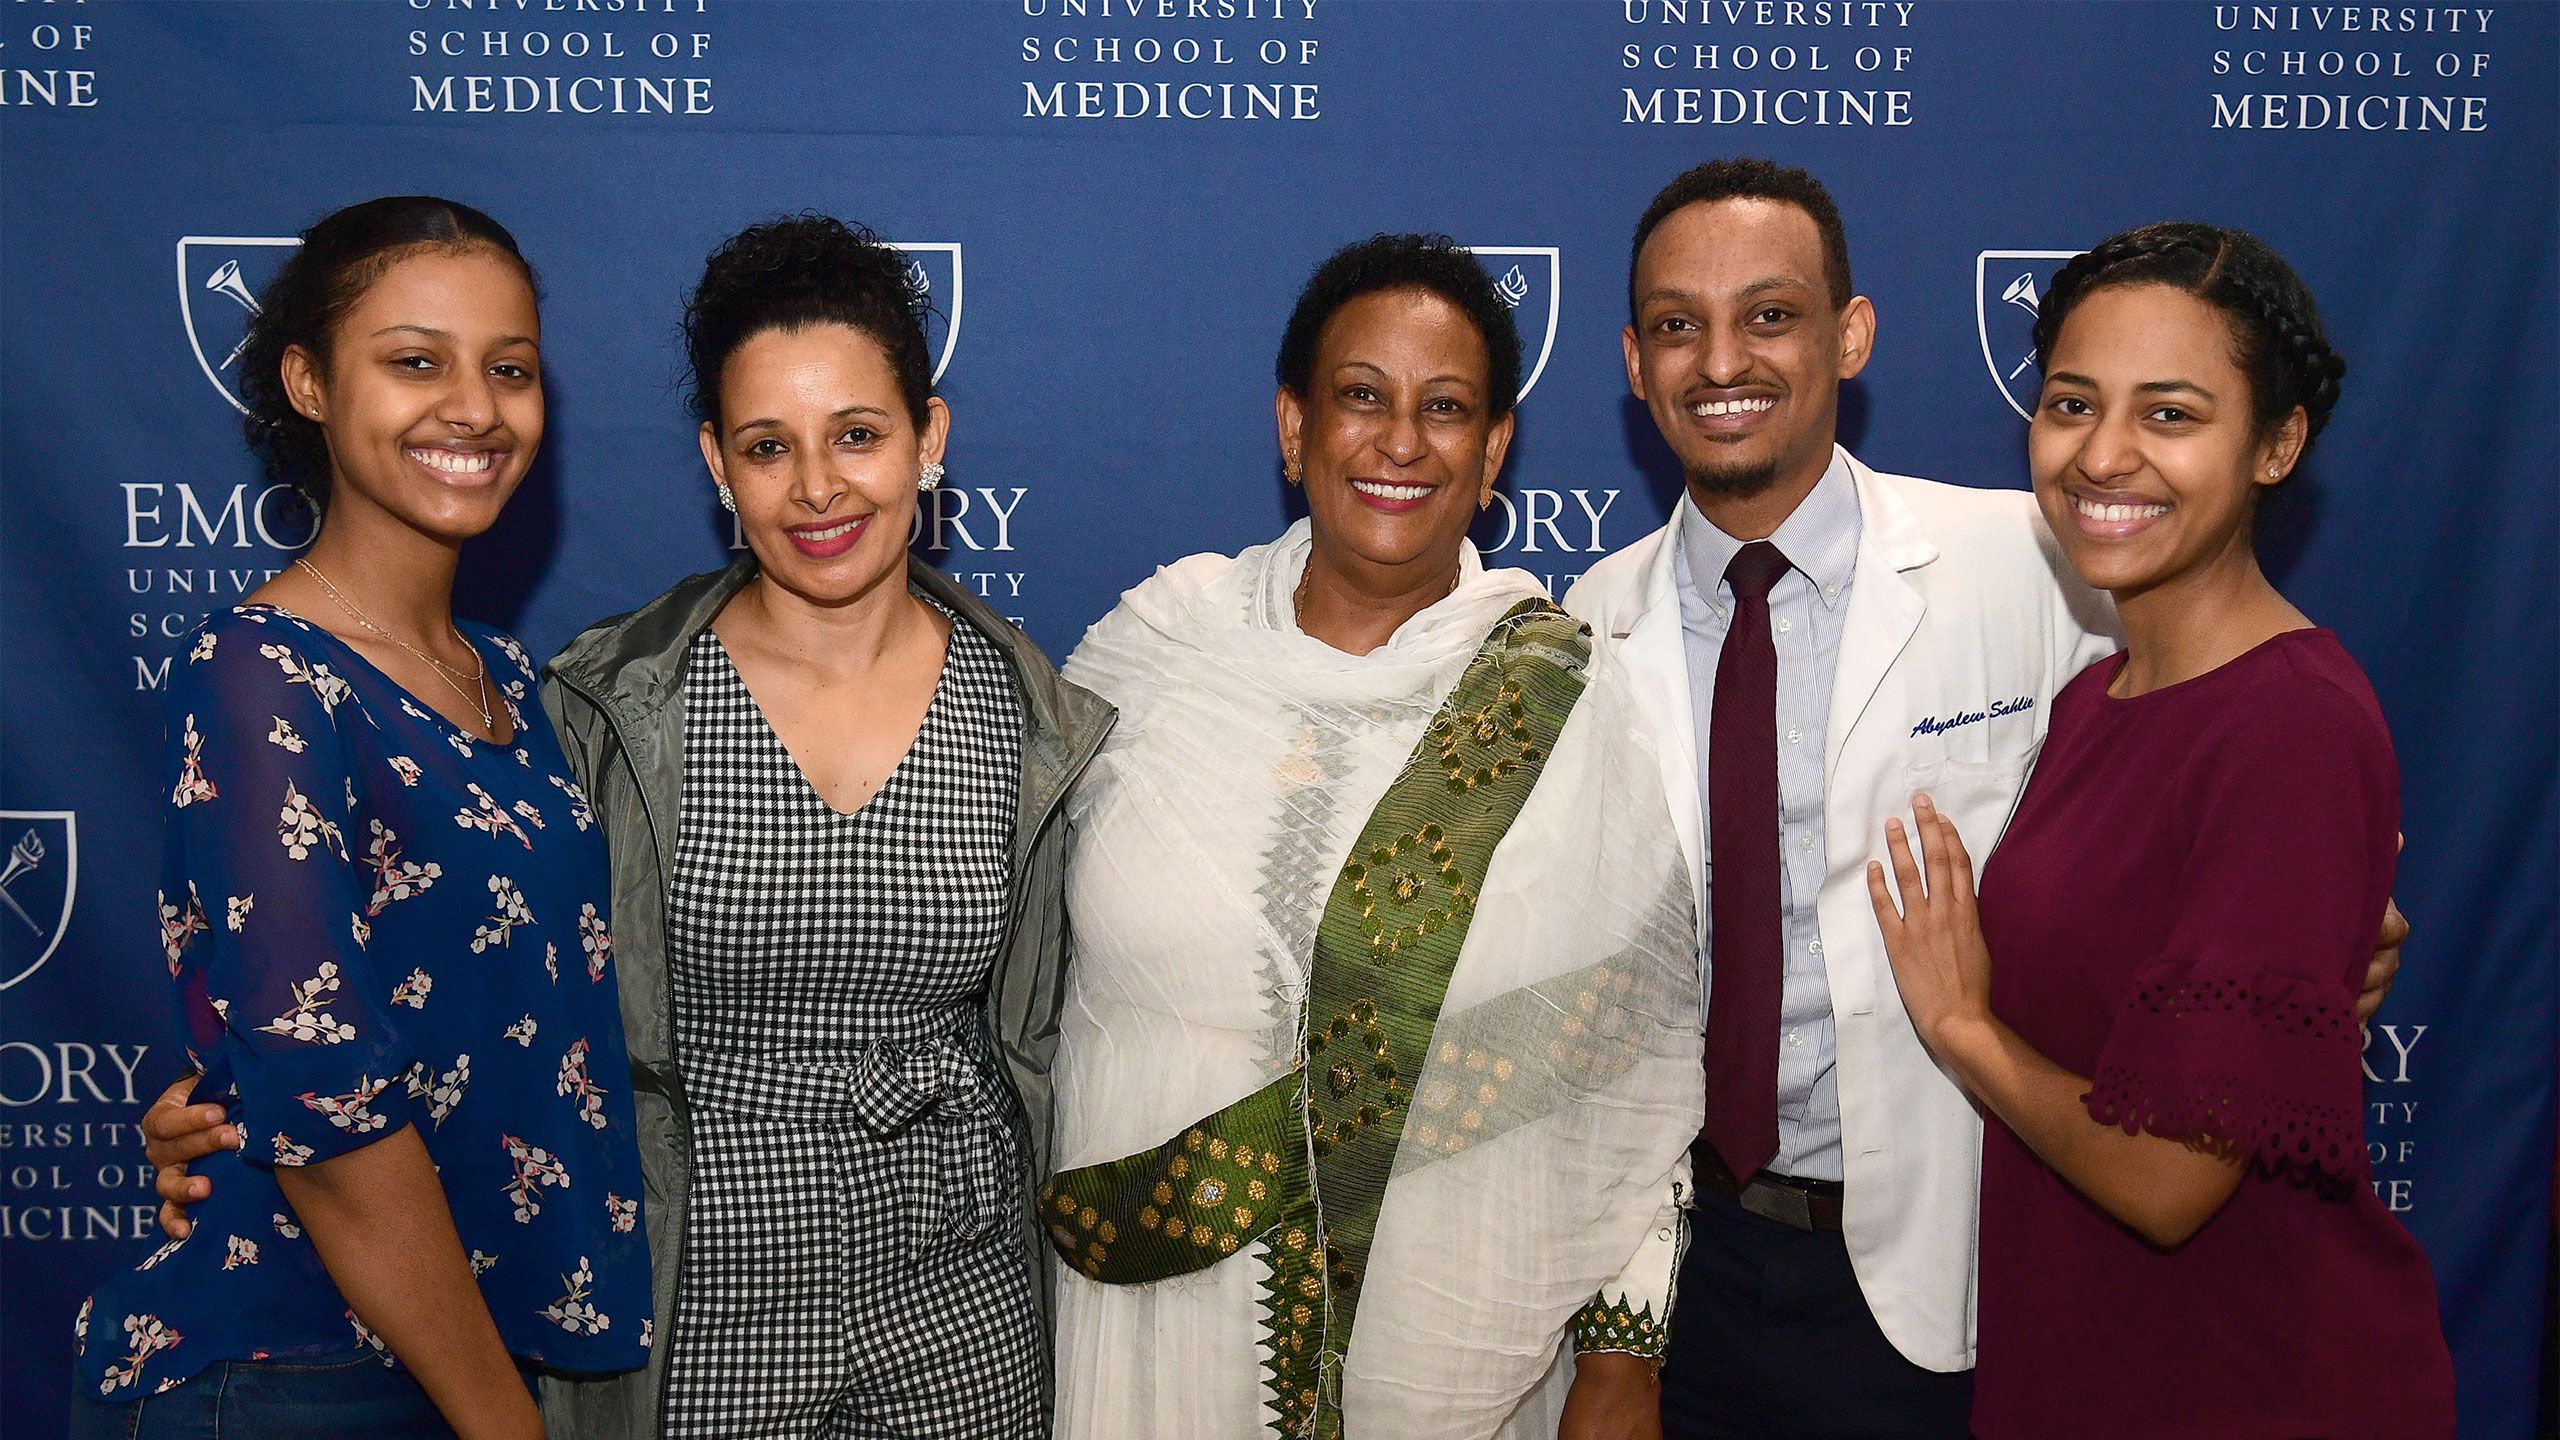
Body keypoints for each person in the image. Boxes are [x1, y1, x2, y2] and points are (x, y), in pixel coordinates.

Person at [139, 215, 1112, 1439]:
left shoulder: (1043, 718)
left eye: (858, 435)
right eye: (769, 446)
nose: (817, 485)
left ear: (930, 439)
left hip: (962, 1312)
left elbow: (1123, 1008)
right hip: (682, 1311)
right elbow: (327, 1019)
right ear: (716, 463)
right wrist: (229, 1107)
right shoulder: (603, 702)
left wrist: (248, 1091)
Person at [1562, 160, 2407, 1440]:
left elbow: (2238, 774)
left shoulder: (2041, 555)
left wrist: (2332, 938)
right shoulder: (1581, 624)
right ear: (1633, 359)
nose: (1722, 358)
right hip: (1695, 1265)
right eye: (1679, 324)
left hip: (1949, 1274)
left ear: (1851, 335)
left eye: (1772, 314)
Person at [1047, 234, 1700, 1440]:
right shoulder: (1151, 653)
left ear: (1493, 449)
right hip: (1152, 1323)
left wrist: (1622, 1358)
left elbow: (1635, 1053)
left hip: (1455, 1331)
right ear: (1293, 425)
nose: (1401, 442)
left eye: (1444, 408)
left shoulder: (1560, 694)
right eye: (1361, 397)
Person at [1865, 222, 2456, 1438]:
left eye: (2172, 415)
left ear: (2276, 444)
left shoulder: (2286, 723)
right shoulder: (2099, 694)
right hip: (2086, 1368)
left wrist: (1961, 1025)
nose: (2104, 455)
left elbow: (2169, 1177)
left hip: (2247, 1384)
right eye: (2073, 403)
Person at [75, 196, 650, 1439]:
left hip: (458, 1355)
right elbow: (327, 1109)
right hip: (292, 1370)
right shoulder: (261, 672)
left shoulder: (504, 676)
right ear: (309, 382)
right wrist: (505, 1426)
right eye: (413, 361)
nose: (473, 407)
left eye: (510, 369)